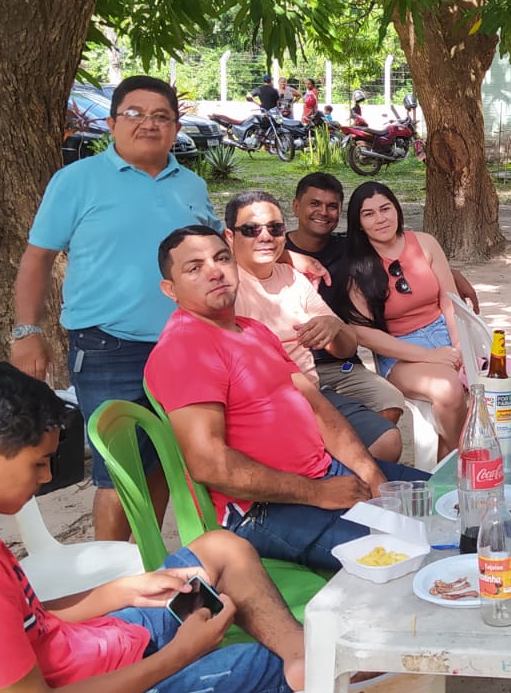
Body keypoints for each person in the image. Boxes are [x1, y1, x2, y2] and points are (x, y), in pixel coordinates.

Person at [0, 362, 306, 693]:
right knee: (269, 666)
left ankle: (300, 659)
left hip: (90, 647)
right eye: (39, 464)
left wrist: (121, 591)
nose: (46, 477)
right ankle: (302, 668)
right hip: (105, 679)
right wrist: (181, 654)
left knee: (222, 549)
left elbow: (21, 620)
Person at [145, 226, 428, 571]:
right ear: (170, 289)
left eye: (221, 258)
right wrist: (318, 493)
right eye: (194, 268)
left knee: (446, 501)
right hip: (260, 509)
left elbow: (318, 407)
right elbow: (211, 464)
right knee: (416, 548)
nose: (214, 272)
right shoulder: (185, 348)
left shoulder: (253, 329)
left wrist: (372, 474)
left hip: (325, 472)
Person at [11, 75, 208, 541]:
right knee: (119, 474)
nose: (148, 124)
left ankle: (146, 558)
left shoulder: (191, 185)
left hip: (185, 347)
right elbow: (37, 258)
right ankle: (112, 571)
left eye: (161, 116)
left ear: (176, 127)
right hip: (108, 350)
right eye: (134, 113)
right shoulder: (77, 181)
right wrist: (26, 331)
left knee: (165, 461)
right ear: (112, 122)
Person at [224, 190, 402, 462]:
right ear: (229, 236)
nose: (265, 236)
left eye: (275, 228)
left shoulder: (294, 278)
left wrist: (334, 326)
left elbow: (345, 349)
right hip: (263, 407)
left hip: (312, 393)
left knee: (387, 440)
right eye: (251, 229)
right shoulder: (223, 287)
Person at [342, 182, 469, 462]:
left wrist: (460, 346)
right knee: (448, 388)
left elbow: (450, 300)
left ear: (397, 210)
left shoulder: (425, 243)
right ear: (359, 223)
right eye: (369, 214)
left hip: (444, 333)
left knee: (496, 379)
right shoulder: (355, 265)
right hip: (399, 350)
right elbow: (363, 333)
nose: (381, 219)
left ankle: (445, 467)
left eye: (385, 209)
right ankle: (462, 460)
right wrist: (429, 355)